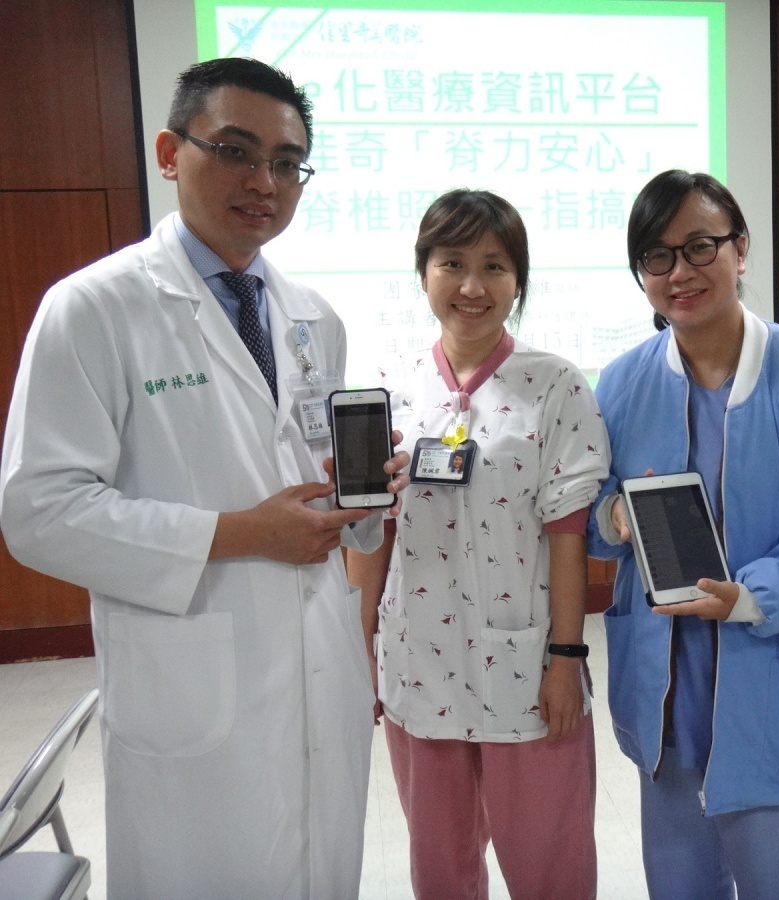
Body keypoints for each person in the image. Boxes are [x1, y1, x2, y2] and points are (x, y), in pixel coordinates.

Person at [0, 58, 411, 899]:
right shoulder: (95, 307)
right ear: (168, 152)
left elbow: (306, 477)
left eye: (288, 163)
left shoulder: (313, 316)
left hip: (319, 659)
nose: (265, 182)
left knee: (320, 869)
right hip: (191, 682)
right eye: (235, 151)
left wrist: (362, 497)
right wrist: (239, 534)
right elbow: (37, 511)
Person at [587, 170, 779, 900]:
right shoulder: (620, 383)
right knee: (678, 884)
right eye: (657, 256)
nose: (679, 272)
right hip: (665, 686)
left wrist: (748, 596)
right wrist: (612, 516)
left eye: (700, 247)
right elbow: (582, 504)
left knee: (777, 882)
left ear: (740, 249)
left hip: (774, 673)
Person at [348, 189, 610, 899]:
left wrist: (566, 659)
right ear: (423, 273)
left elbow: (568, 537)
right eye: (452, 263)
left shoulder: (554, 385)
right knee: (440, 866)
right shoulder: (392, 386)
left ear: (518, 280)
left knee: (550, 863)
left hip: (526, 666)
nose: (472, 286)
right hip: (417, 660)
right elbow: (373, 532)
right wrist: (360, 646)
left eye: (494, 266)